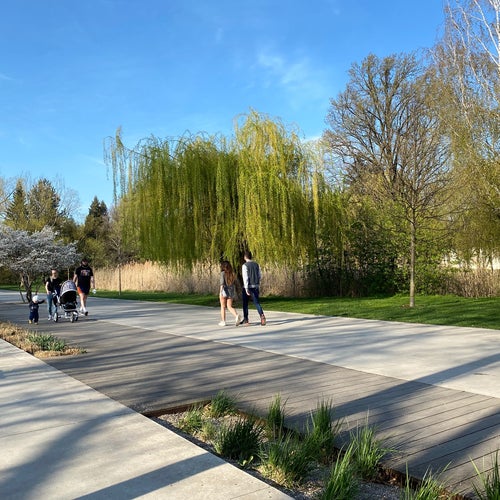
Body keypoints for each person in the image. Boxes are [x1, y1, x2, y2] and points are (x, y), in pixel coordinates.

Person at [240, 251, 266, 326]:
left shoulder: (245, 266)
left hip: (248, 286)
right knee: (257, 302)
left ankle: (246, 319)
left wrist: (246, 288)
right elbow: (260, 275)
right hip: (256, 286)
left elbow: (245, 277)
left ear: (245, 257)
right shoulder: (257, 265)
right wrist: (257, 283)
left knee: (245, 303)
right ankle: (262, 315)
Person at [218, 260, 241, 326]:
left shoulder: (222, 273)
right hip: (231, 292)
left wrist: (220, 292)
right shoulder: (232, 274)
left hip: (224, 291)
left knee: (223, 306)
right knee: (229, 306)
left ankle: (223, 321)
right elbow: (235, 283)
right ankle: (236, 315)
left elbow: (222, 283)